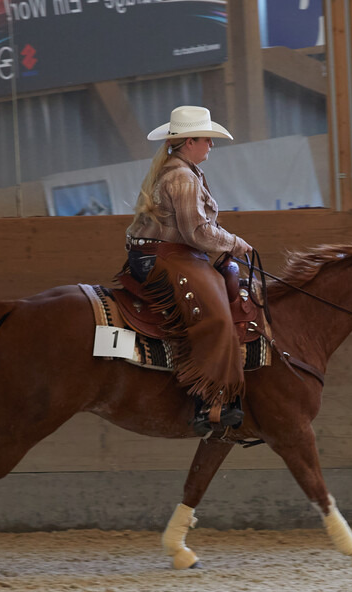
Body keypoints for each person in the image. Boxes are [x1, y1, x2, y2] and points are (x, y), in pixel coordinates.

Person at [123, 105, 253, 436]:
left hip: (161, 254)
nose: (212, 145)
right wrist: (236, 244)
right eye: (207, 139)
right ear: (190, 141)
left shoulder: (181, 171)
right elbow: (198, 232)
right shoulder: (181, 177)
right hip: (165, 257)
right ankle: (208, 399)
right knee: (218, 316)